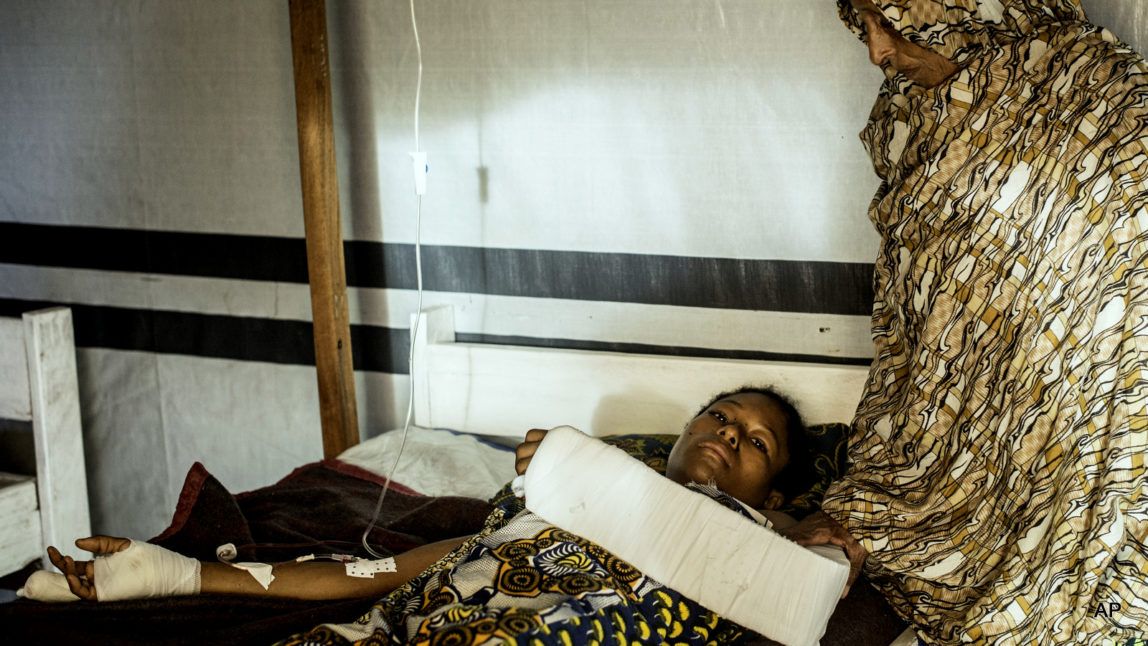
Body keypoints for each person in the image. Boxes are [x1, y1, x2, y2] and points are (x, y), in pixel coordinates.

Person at [784, 1, 1148, 644]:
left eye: (889, 22)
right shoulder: (913, 116)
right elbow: (914, 327)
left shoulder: (1099, 103)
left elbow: (1114, 306)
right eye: (862, 23)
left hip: (1073, 448)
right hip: (933, 457)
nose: (876, 52)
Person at [35, 386, 824, 645]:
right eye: (719, 416)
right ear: (680, 434)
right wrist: (171, 574)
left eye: (756, 442)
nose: (728, 434)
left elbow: (811, 579)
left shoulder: (763, 544)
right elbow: (370, 573)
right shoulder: (552, 494)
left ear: (776, 493)